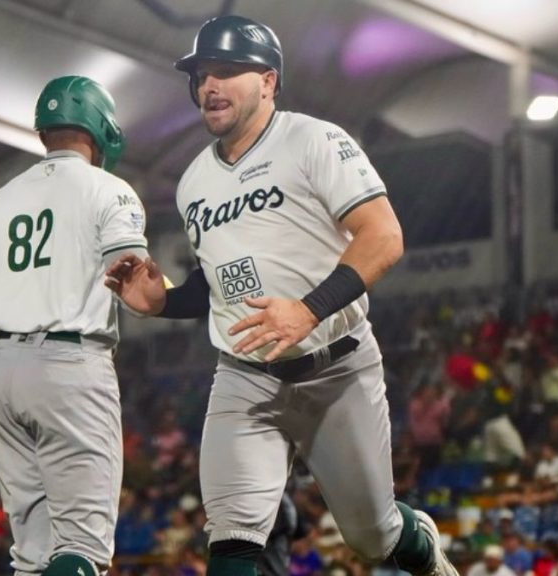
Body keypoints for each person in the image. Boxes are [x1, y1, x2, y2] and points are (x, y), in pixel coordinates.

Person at [105, 15, 456, 576]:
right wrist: (163, 301)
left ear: (268, 80)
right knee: (232, 543)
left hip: (337, 370)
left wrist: (309, 309)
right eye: (200, 75)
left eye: (226, 72)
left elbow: (384, 237)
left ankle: (422, 545)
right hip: (246, 378)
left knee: (374, 536)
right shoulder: (195, 180)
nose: (209, 86)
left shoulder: (313, 139)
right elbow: (221, 284)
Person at [0, 75, 150, 575]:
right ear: (102, 130)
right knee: (82, 549)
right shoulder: (109, 190)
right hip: (71, 366)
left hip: (2, 375)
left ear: (44, 132)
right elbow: (138, 287)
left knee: (33, 554)